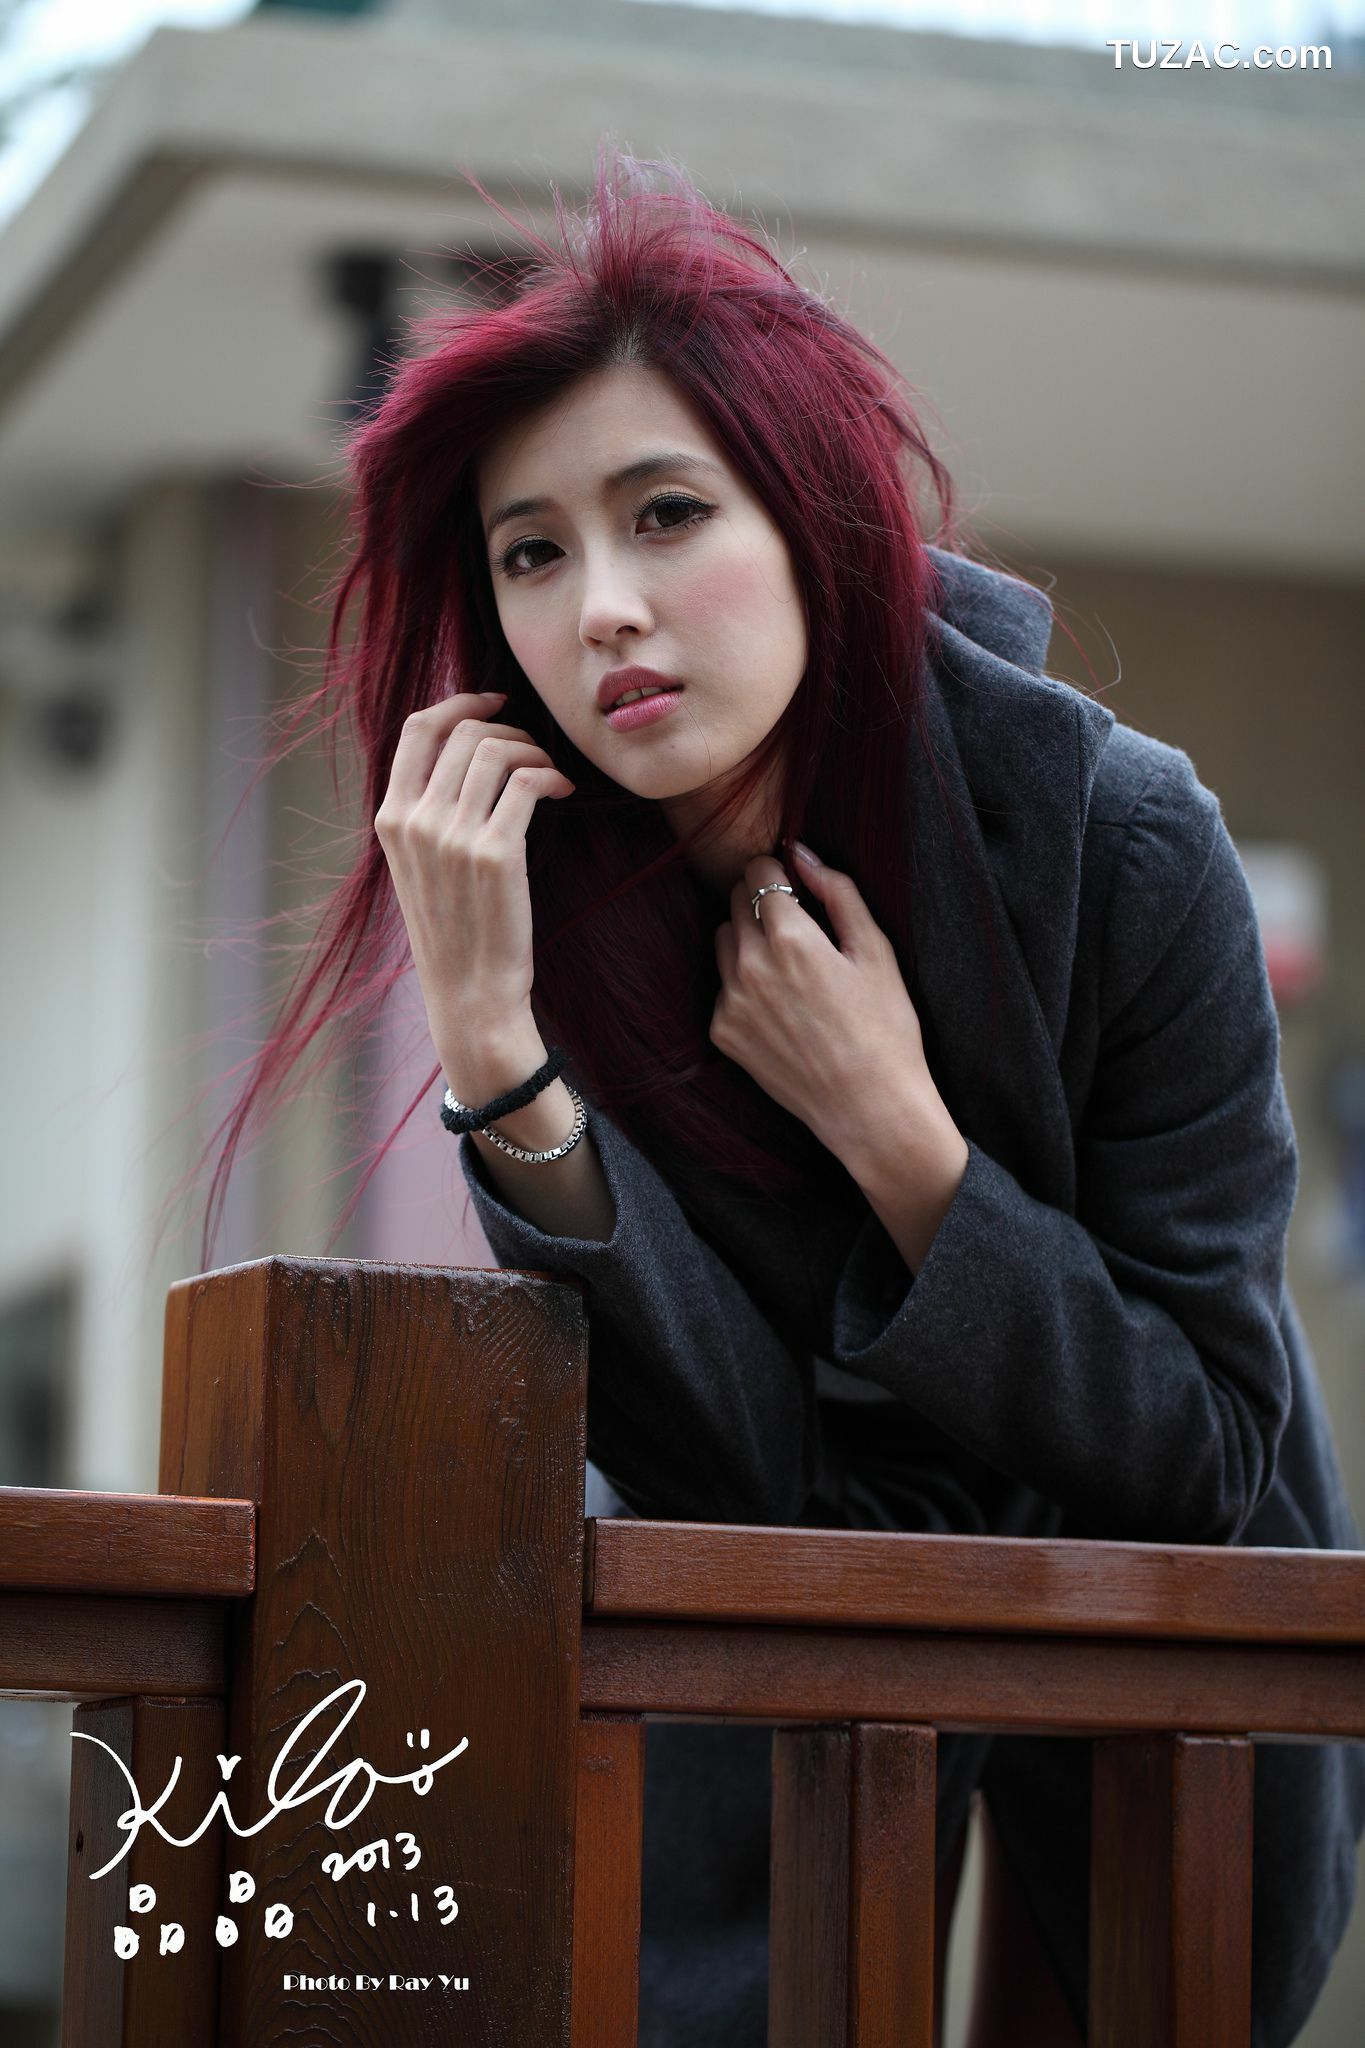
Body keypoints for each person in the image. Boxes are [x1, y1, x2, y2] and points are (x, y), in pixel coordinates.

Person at [203, 149, 1365, 2046]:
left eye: (667, 514)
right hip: (778, 1672)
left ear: (816, 517)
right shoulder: (555, 898)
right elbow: (722, 1469)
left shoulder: (1119, 837)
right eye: (532, 553)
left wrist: (900, 1140)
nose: (603, 609)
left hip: (1157, 1650)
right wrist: (493, 1047)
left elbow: (1200, 1450)